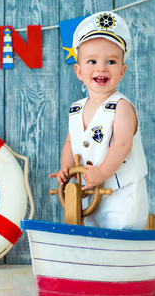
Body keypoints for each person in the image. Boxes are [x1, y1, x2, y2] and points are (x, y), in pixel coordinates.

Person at [50, 11, 148, 230]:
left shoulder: (121, 106)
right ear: (79, 70)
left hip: (120, 191)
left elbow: (123, 143)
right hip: (89, 190)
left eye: (111, 62)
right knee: (92, 230)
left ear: (122, 71)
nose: (101, 68)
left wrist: (102, 172)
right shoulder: (76, 108)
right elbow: (70, 142)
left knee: (120, 230)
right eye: (92, 61)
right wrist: (66, 167)